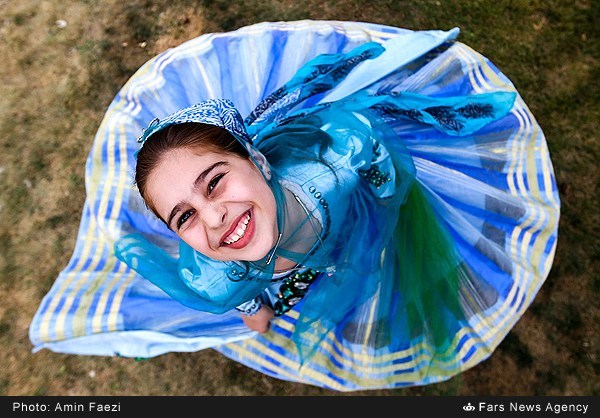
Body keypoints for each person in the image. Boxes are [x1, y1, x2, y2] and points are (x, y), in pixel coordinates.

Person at [29, 20, 560, 391]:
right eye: (183, 216)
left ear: (260, 162)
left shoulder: (334, 167)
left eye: (214, 183)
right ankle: (154, 237)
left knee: (370, 251)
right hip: (280, 262)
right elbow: (243, 303)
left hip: (347, 220)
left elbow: (372, 150)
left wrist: (384, 196)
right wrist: (252, 309)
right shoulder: (216, 277)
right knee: (233, 283)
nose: (212, 218)